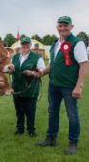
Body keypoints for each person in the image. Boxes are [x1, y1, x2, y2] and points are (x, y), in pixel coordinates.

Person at [36, 16, 88, 155]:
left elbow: (84, 65)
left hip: (69, 86)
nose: (63, 28)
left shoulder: (77, 43)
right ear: (57, 27)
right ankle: (51, 138)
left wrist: (79, 86)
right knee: (52, 112)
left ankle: (73, 143)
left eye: (66, 25)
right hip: (54, 85)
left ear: (71, 27)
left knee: (72, 114)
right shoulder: (55, 44)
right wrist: (40, 72)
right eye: (60, 26)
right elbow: (53, 65)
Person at [10, 36, 45, 137]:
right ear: (21, 45)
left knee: (30, 110)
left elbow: (42, 71)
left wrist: (32, 73)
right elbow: (12, 69)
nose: (25, 45)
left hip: (30, 89)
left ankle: (31, 130)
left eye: (27, 44)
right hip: (16, 88)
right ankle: (20, 129)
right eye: (23, 44)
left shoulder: (37, 57)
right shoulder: (15, 57)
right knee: (19, 110)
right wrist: (10, 70)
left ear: (30, 45)